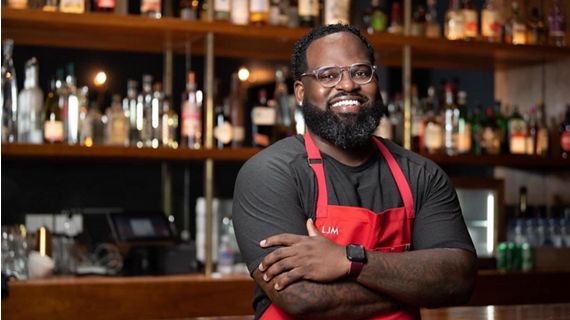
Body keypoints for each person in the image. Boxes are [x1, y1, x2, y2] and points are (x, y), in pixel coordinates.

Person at [233, 24, 477, 320]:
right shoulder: (269, 174)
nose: (348, 85)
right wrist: (411, 284)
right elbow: (301, 298)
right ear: (300, 91)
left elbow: (459, 280)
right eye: (328, 75)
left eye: (360, 72)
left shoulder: (421, 174)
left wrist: (349, 260)